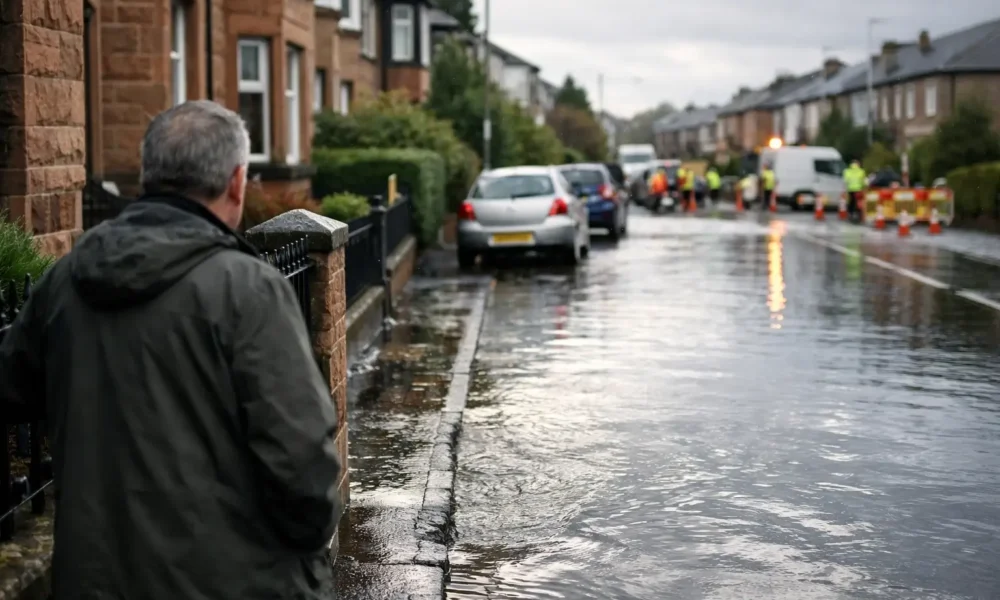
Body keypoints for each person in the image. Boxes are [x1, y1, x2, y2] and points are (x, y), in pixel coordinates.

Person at [0, 101, 342, 599]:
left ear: (147, 175)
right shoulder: (249, 290)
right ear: (236, 182)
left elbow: (14, 389)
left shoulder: (65, 281)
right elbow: (303, 461)